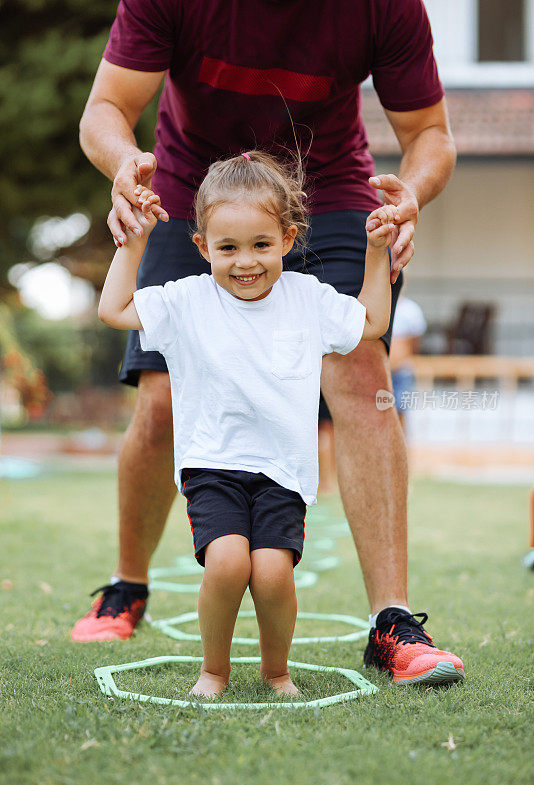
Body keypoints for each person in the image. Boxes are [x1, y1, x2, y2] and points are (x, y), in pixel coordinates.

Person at [73, 0, 464, 686]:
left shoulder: (386, 7)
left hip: (332, 190)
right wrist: (125, 163)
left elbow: (429, 131)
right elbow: (105, 106)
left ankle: (394, 622)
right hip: (189, 188)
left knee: (361, 375)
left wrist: (412, 196)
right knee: (161, 397)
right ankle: (127, 585)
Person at [96, 151, 398, 697]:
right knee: (229, 562)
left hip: (282, 470)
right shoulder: (187, 299)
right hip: (212, 464)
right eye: (227, 248)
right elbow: (114, 311)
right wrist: (134, 244)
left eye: (261, 245)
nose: (245, 262)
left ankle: (275, 670)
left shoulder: (307, 298)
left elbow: (372, 322)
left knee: (274, 573)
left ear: (288, 238)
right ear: (202, 246)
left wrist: (377, 253)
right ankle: (214, 669)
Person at [390, 295, 427, 434]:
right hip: (380, 371)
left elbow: (415, 342)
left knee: (400, 413)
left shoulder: (411, 310)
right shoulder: (376, 306)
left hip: (402, 371)